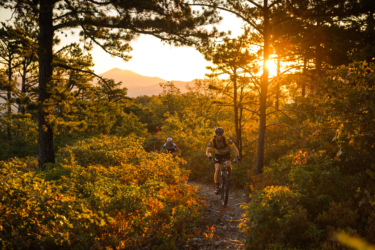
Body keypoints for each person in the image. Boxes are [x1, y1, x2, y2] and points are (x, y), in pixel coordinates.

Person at [206, 127, 240, 195]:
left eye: (221, 135)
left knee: (228, 165)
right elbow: (207, 151)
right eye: (219, 135)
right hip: (217, 155)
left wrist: (237, 156)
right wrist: (209, 156)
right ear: (216, 134)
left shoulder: (227, 139)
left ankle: (228, 179)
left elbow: (234, 148)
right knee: (218, 169)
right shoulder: (212, 141)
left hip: (226, 154)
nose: (220, 136)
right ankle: (217, 186)